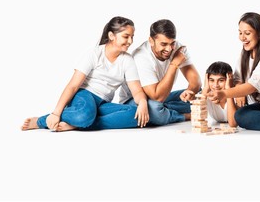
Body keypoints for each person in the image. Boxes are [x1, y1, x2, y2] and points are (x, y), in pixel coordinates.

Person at [21, 16, 149, 132]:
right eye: (126, 36)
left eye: (132, 36)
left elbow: (136, 91)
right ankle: (42, 121)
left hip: (103, 102)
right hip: (85, 95)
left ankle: (79, 124)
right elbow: (73, 86)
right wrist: (55, 113)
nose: (131, 41)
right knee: (83, 116)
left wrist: (142, 102)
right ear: (111, 35)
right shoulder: (94, 54)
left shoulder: (127, 60)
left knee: (135, 114)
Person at [120, 19, 201, 126]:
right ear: (151, 41)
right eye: (163, 44)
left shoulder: (177, 48)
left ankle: (165, 110)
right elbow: (157, 97)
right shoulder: (141, 57)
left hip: (162, 97)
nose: (169, 49)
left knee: (200, 94)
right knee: (155, 108)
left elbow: (196, 81)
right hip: (135, 100)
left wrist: (189, 92)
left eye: (172, 43)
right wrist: (174, 65)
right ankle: (182, 116)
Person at [201, 61, 237, 127]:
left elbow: (233, 123)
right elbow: (198, 118)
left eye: (221, 80)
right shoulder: (207, 95)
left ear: (229, 79)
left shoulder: (237, 96)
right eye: (211, 80)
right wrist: (205, 88)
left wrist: (228, 89)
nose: (216, 85)